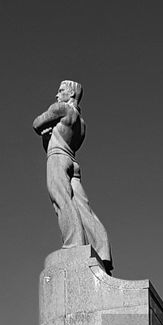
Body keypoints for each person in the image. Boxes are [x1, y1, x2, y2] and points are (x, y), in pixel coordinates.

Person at [32, 79, 112, 266]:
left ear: (72, 94)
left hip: (58, 158)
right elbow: (63, 139)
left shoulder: (61, 109)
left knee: (61, 198)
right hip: (72, 161)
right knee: (84, 207)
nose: (57, 95)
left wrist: (45, 129)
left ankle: (73, 244)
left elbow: (36, 124)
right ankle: (103, 250)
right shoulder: (81, 124)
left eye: (61, 91)